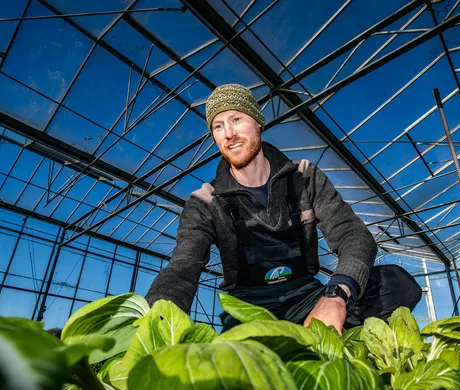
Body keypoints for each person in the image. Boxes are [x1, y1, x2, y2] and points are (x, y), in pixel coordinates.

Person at [145, 84, 422, 333]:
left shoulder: (304, 177)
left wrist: (337, 294)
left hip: (305, 296)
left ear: (258, 123)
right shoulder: (206, 201)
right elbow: (182, 268)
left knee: (396, 284)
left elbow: (353, 235)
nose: (228, 133)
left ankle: (324, 329)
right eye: (218, 126)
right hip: (248, 309)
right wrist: (155, 326)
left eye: (236, 119)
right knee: (242, 375)